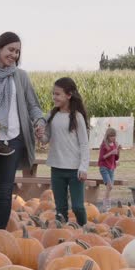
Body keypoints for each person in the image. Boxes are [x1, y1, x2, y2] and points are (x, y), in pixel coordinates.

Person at [0, 32, 46, 230]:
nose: (14, 55)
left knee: (4, 191)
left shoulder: (20, 77)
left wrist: (39, 121)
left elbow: (33, 106)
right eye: (11, 50)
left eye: (18, 52)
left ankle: (0, 234)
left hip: (12, 139)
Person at [40, 77, 90, 226]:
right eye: (53, 94)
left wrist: (83, 167)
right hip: (57, 168)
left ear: (69, 95)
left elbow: (84, 144)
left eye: (58, 94)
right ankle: (61, 234)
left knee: (78, 207)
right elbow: (45, 139)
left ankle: (84, 229)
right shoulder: (52, 115)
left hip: (75, 170)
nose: (54, 97)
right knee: (60, 208)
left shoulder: (77, 117)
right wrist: (39, 134)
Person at [98, 127, 121, 210]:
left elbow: (116, 158)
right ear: (107, 136)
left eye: (114, 136)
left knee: (110, 187)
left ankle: (107, 204)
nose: (113, 138)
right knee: (109, 185)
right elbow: (101, 158)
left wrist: (118, 151)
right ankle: (106, 205)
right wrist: (111, 152)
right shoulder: (104, 145)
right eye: (111, 136)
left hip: (111, 168)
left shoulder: (115, 144)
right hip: (104, 167)